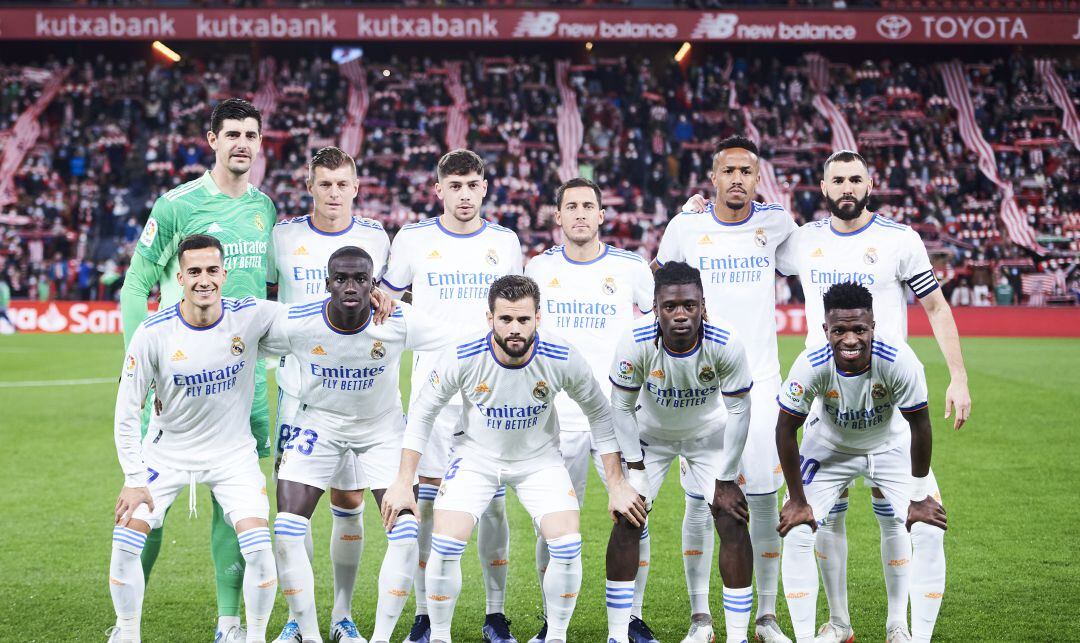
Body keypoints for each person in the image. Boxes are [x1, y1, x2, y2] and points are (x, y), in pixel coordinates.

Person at [379, 275, 646, 643]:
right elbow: (423, 411)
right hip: (475, 457)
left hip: (539, 460)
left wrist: (617, 483)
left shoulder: (562, 355)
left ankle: (555, 636)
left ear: (539, 316)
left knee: (567, 545)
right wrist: (402, 480)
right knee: (445, 544)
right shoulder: (463, 353)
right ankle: (439, 636)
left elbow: (600, 413)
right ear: (489, 318)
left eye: (524, 319)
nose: (515, 328)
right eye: (505, 319)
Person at [774, 150, 969, 643]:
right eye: (837, 179)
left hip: (890, 408)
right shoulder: (802, 241)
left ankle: (899, 627)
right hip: (826, 406)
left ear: (870, 182)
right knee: (819, 518)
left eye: (855, 179)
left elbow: (937, 308)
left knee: (907, 519)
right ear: (822, 187)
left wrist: (959, 377)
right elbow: (747, 252)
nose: (846, 187)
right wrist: (700, 211)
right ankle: (837, 623)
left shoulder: (899, 240)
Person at [118, 98, 276, 642]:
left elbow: (266, 297)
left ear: (260, 142)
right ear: (211, 139)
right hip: (177, 384)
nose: (241, 143)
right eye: (231, 133)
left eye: (250, 135)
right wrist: (143, 370)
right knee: (146, 499)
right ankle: (128, 622)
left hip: (247, 385)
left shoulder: (266, 209)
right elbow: (135, 286)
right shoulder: (176, 206)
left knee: (236, 502)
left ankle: (230, 623)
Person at [266, 246, 450, 643]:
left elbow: (457, 344)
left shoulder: (398, 319)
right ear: (327, 282)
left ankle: (378, 637)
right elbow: (242, 343)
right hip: (319, 424)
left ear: (373, 285)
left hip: (381, 429)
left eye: (361, 280)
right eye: (342, 279)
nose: (351, 286)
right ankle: (310, 634)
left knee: (405, 533)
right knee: (286, 529)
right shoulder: (297, 321)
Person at [108, 235, 281, 643]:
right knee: (125, 541)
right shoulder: (153, 333)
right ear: (180, 278)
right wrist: (134, 478)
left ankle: (248, 635)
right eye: (195, 272)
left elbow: (310, 318)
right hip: (165, 455)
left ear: (225, 273)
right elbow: (126, 411)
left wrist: (375, 300)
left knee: (257, 545)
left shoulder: (250, 315)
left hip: (233, 456)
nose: (204, 280)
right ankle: (127, 633)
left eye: (212, 270)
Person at [660, 135, 798, 643]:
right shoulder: (685, 227)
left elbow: (811, 265)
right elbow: (662, 287)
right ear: (713, 178)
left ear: (757, 179)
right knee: (700, 503)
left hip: (761, 388)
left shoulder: (777, 224)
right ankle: (701, 618)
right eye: (729, 171)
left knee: (763, 501)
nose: (737, 178)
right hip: (699, 389)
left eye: (747, 171)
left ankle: (765, 618)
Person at [382, 149, 524, 643]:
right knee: (428, 501)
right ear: (438, 190)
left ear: (485, 188)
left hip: (494, 391)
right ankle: (424, 613)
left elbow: (517, 313)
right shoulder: (413, 240)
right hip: (434, 395)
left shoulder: (505, 243)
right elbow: (386, 303)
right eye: (455, 186)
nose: (464, 195)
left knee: (495, 504)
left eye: (473, 185)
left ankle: (495, 612)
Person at [775, 282, 947, 643]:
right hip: (830, 446)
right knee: (798, 530)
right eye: (839, 330)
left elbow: (921, 425)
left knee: (930, 529)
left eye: (859, 329)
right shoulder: (811, 365)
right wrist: (797, 500)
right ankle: (814, 635)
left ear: (873, 325)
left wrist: (918, 495)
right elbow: (785, 429)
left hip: (889, 445)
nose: (850, 339)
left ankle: (911, 634)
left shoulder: (899, 360)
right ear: (825, 330)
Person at [267, 146, 392, 643]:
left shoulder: (375, 238)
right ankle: (299, 620)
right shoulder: (284, 236)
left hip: (355, 395)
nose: (334, 193)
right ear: (310, 185)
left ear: (356, 187)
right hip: (298, 392)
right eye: (325, 183)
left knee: (348, 500)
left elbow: (384, 301)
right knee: (291, 509)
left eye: (343, 184)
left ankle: (341, 616)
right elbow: (268, 303)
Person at [523, 178, 655, 643]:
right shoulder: (538, 269)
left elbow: (658, 325)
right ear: (557, 217)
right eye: (571, 206)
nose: (580, 213)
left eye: (589, 206)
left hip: (618, 415)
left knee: (634, 515)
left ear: (602, 215)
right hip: (554, 416)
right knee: (553, 521)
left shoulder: (631, 267)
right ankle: (550, 620)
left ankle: (632, 618)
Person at [606, 261, 756, 643]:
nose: (680, 314)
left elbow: (739, 410)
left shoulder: (725, 341)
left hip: (707, 437)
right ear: (655, 307)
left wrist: (726, 479)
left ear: (702, 304)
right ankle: (617, 635)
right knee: (628, 517)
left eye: (689, 305)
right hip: (650, 439)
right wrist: (634, 470)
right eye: (670, 306)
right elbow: (620, 408)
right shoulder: (635, 340)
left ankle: (737, 636)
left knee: (732, 516)